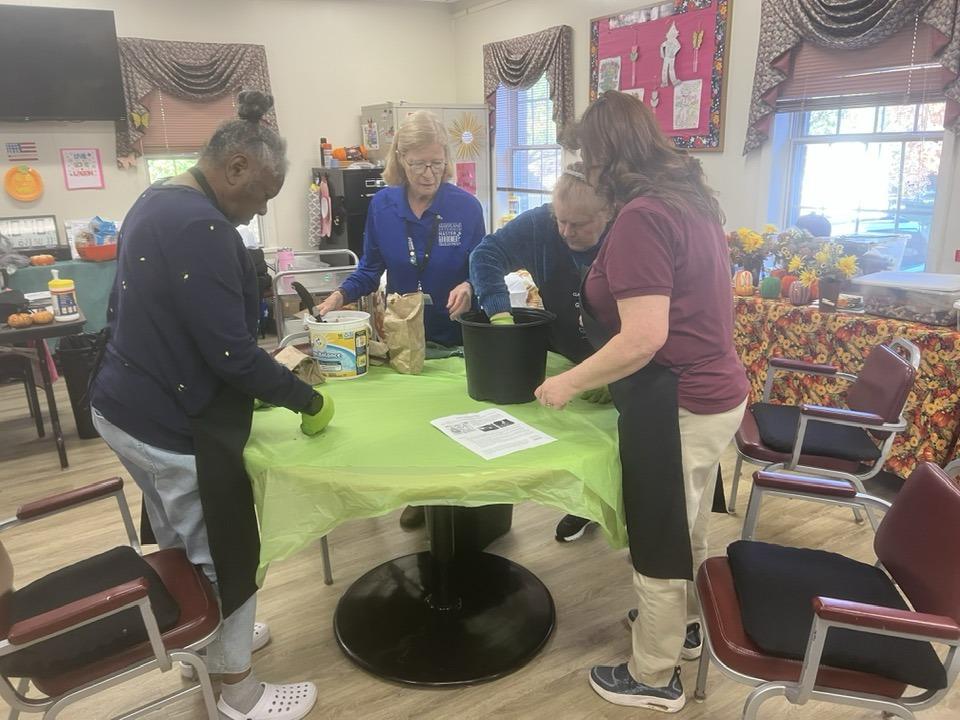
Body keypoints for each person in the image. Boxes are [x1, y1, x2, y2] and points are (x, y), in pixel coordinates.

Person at [90, 91, 327, 720]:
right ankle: (238, 689)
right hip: (160, 416)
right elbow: (231, 354)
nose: (260, 213)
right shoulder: (203, 227)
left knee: (176, 531)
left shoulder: (159, 197)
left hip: (120, 401)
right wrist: (306, 398)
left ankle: (211, 636)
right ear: (238, 168)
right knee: (225, 545)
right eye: (263, 196)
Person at [534, 91, 749, 712]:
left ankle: (654, 677)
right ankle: (681, 628)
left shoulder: (644, 217)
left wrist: (569, 383)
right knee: (690, 526)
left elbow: (645, 337)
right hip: (716, 393)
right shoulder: (690, 202)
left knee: (658, 537)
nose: (584, 168)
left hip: (677, 399)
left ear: (605, 155)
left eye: (585, 154)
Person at [318, 110, 485, 531]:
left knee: (452, 421)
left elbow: (484, 265)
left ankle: (456, 500)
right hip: (404, 334)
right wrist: (339, 295)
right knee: (412, 426)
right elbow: (370, 268)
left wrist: (469, 284)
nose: (429, 174)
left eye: (437, 162)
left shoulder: (465, 207)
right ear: (401, 160)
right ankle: (420, 494)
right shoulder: (384, 206)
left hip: (454, 334)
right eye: (419, 164)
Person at [470, 162, 614, 543]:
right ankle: (585, 505)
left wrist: (608, 373)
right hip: (567, 352)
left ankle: (620, 516)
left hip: (620, 357)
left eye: (579, 225)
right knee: (575, 444)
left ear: (607, 214)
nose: (566, 232)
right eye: (561, 221)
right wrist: (499, 314)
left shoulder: (629, 233)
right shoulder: (539, 225)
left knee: (619, 447)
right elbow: (486, 254)